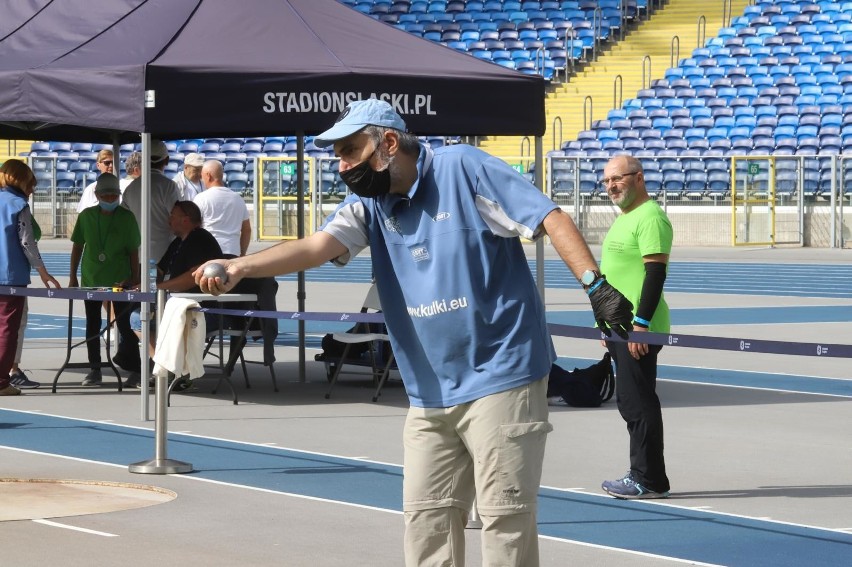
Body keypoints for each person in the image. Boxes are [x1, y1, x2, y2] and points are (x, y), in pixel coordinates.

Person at [194, 99, 633, 566]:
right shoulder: (369, 201)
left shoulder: (463, 168)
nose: (342, 165)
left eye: (349, 150)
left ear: (387, 143)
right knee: (426, 521)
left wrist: (596, 286)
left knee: (505, 521)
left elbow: (549, 215)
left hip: (501, 375)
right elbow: (318, 245)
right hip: (429, 390)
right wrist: (242, 266)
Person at [598, 155, 673, 500]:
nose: (611, 186)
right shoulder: (625, 217)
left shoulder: (650, 217)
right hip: (620, 327)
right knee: (630, 402)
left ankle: (648, 478)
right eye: (606, 181)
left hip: (638, 327)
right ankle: (645, 474)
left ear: (638, 178)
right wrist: (606, 325)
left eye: (618, 179)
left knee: (638, 403)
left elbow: (654, 274)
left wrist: (640, 325)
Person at [127, 201, 223, 387]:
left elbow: (194, 276)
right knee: (138, 316)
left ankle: (168, 370)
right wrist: (140, 282)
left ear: (185, 220)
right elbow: (160, 271)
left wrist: (162, 287)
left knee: (139, 318)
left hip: (199, 308)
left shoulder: (200, 240)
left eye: (172, 215)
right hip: (174, 303)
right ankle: (168, 368)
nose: (168, 219)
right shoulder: (178, 242)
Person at [69, 173, 141, 387]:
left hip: (120, 279)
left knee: (125, 323)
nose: (110, 200)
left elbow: (133, 251)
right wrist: (72, 276)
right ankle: (95, 369)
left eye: (114, 196)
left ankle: (135, 368)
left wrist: (135, 277)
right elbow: (77, 247)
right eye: (106, 196)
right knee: (92, 323)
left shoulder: (126, 217)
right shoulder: (86, 216)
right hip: (92, 278)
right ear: (97, 195)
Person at [0, 160, 62, 395]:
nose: (33, 190)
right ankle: (2, 382)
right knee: (7, 329)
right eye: (31, 185)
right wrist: (43, 272)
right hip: (10, 276)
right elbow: (27, 242)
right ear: (21, 180)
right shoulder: (18, 205)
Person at [121, 139, 182, 264]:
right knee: (157, 284)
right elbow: (179, 219)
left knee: (140, 284)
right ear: (167, 160)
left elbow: (123, 219)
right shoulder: (169, 186)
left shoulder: (131, 188)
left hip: (136, 257)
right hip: (163, 257)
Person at [193, 160, 250, 257]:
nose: (201, 180)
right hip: (233, 252)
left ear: (208, 175)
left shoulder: (201, 198)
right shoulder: (238, 199)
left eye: (202, 176)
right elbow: (247, 229)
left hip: (207, 252)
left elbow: (193, 227)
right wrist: (242, 253)